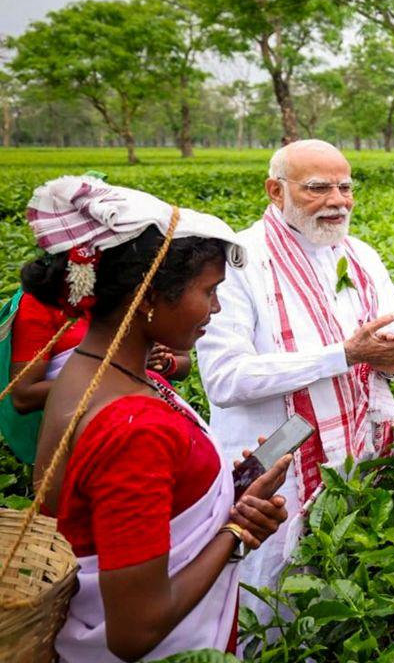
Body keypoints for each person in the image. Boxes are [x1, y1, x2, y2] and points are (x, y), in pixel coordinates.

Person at [23, 175, 291, 661]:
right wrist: (235, 533)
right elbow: (135, 629)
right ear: (147, 297)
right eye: (209, 291)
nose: (216, 307)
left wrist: (228, 490)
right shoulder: (133, 427)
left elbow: (142, 503)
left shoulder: (97, 370)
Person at [194, 139, 394, 632]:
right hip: (276, 467)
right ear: (276, 191)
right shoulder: (240, 260)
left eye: (345, 187)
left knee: (342, 595)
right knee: (268, 600)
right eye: (318, 188)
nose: (337, 200)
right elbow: (225, 378)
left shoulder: (359, 255)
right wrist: (343, 355)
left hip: (358, 456)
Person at [2, 290, 88, 463]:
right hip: (77, 439)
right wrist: (119, 369)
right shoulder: (40, 299)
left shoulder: (125, 284)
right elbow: (24, 396)